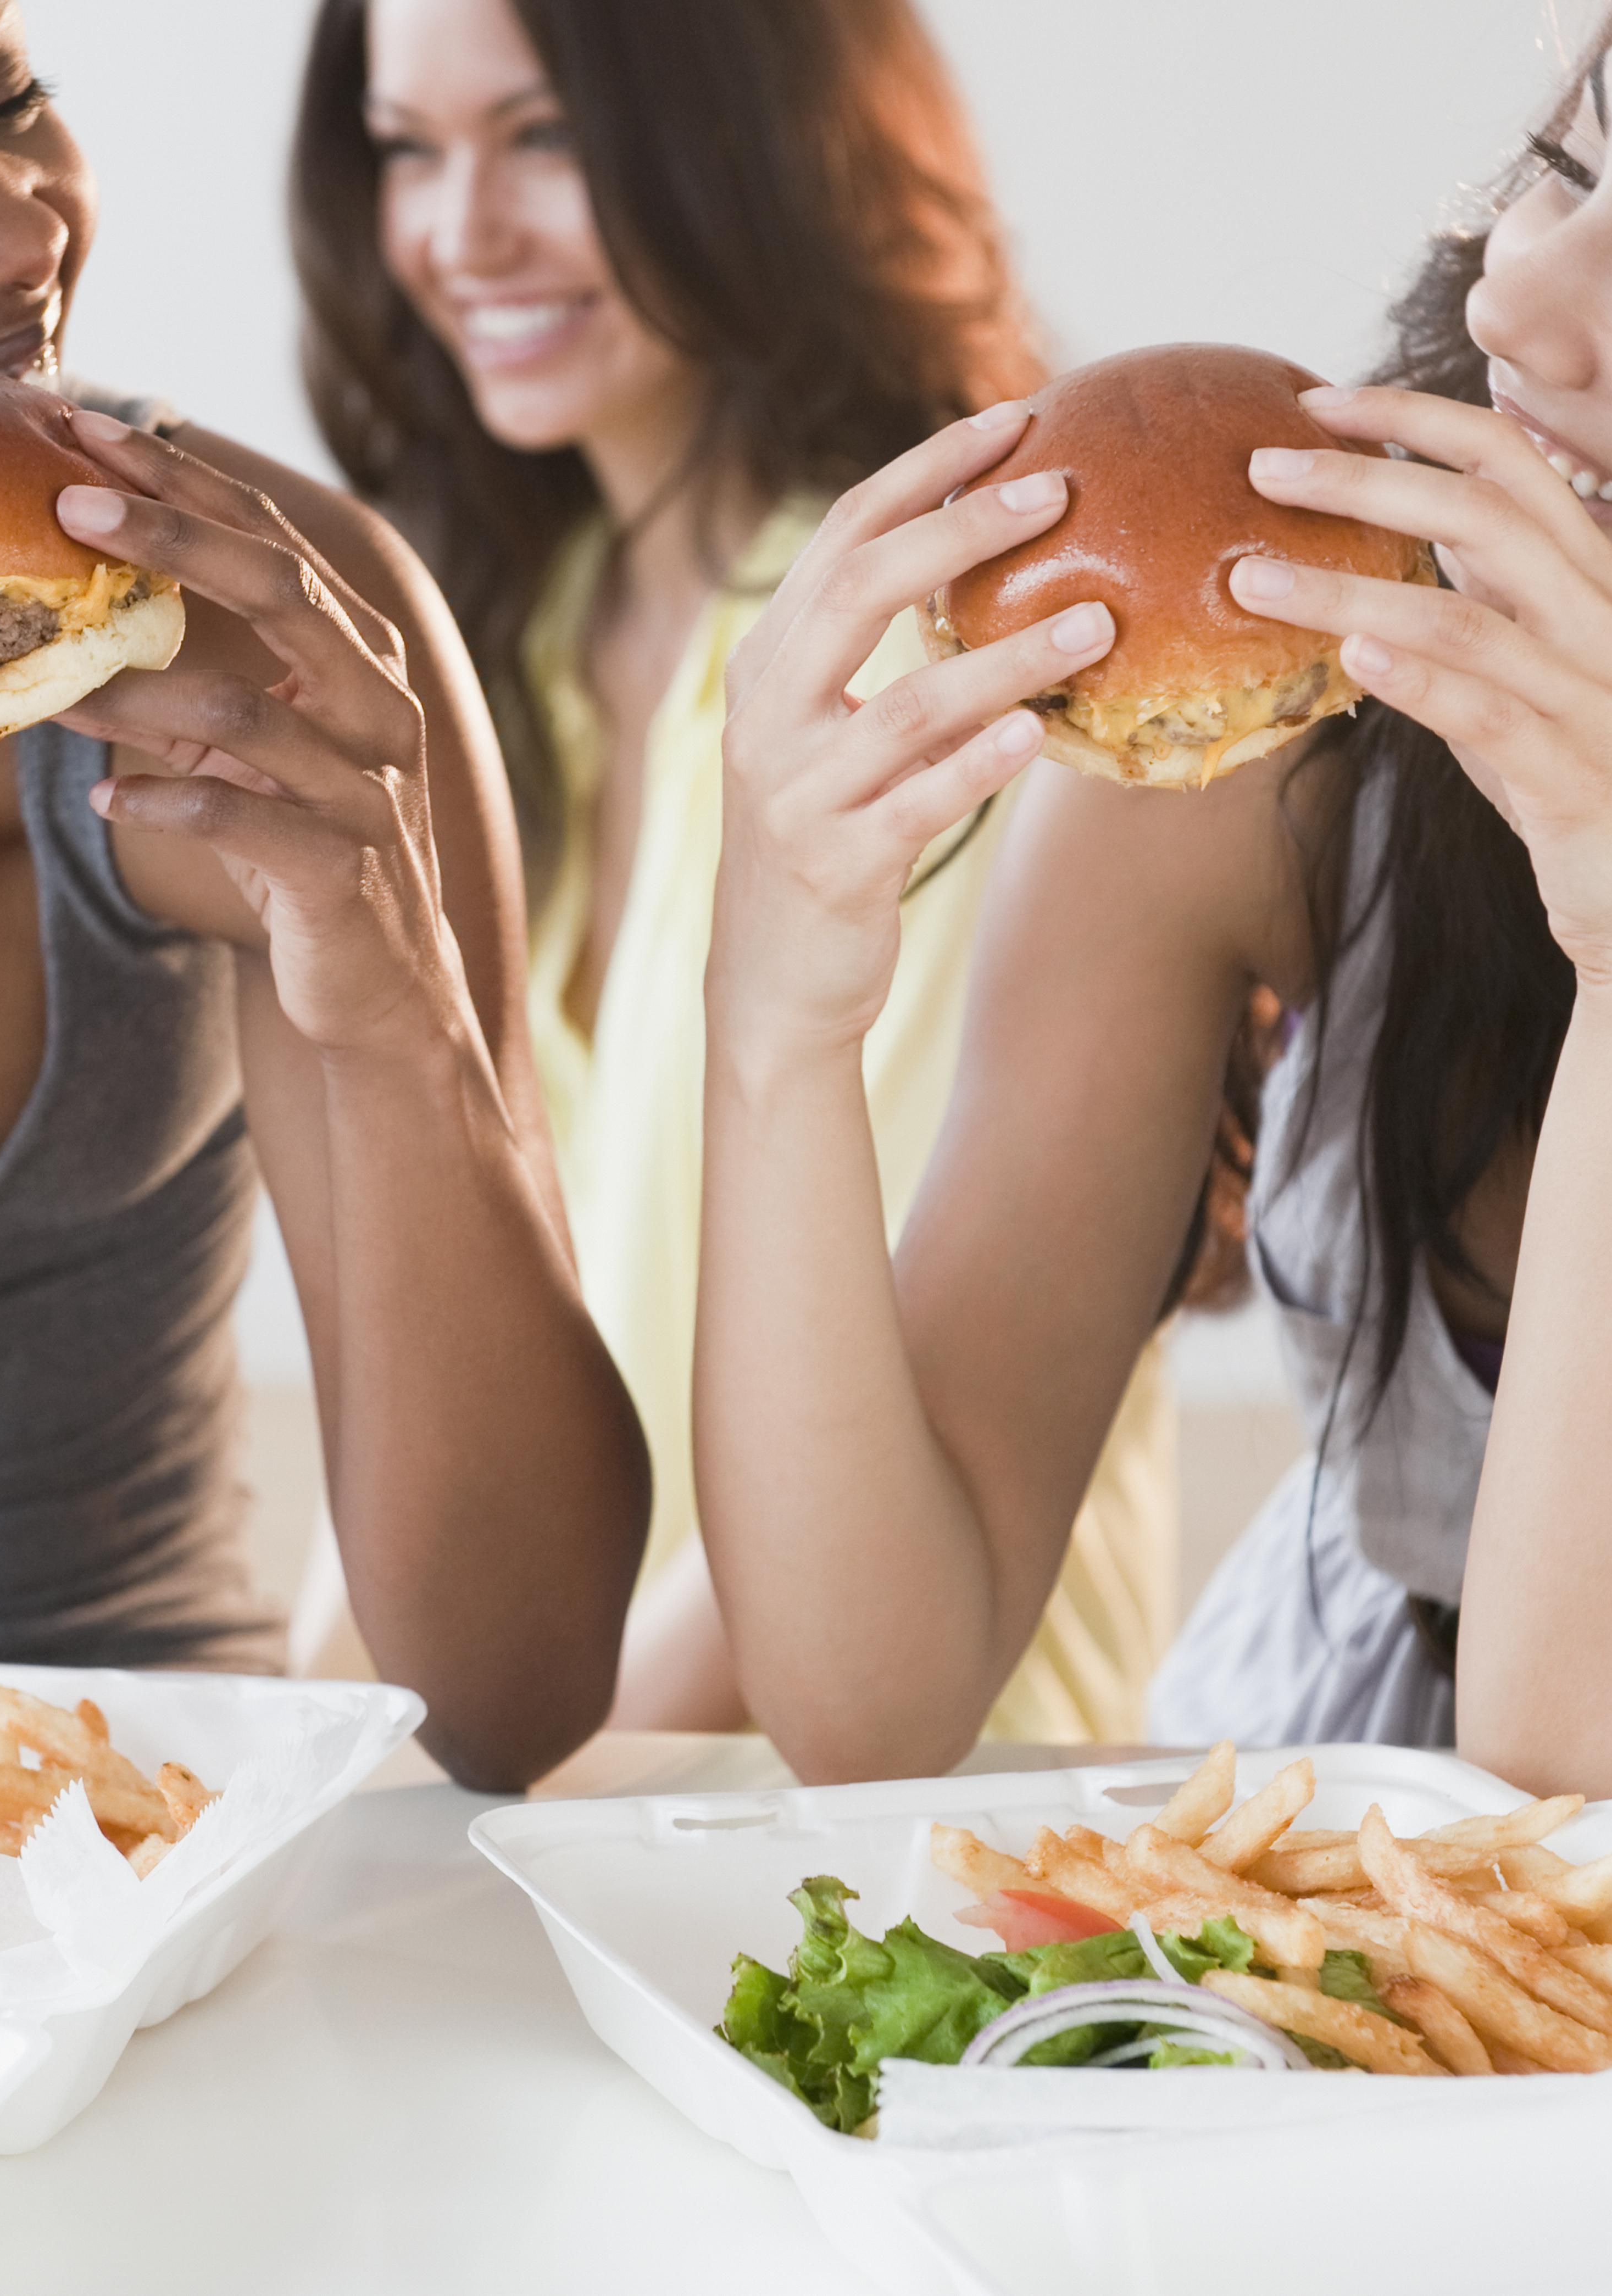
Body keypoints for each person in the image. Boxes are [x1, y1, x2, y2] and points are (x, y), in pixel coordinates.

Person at [696, 0, 1612, 1812]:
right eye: (1561, 165)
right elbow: (869, 1691)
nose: (1508, 305)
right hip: (1329, 1800)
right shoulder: (1273, 756)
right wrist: (776, 1030)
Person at [0, 0, 649, 1791]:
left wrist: (393, 1007)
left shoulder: (266, 626)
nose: (27, 224)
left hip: (161, 1855)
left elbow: (515, 1688)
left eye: (11, 95)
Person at [290, 0, 1186, 1738]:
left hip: (906, 1827)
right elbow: (438, 1373)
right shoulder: (515, 646)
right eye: (409, 148)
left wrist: (480, 1805)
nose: (457, 233)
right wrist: (293, 1768)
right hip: (566, 1806)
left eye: (542, 136)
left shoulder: (952, 661)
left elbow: (907, 1389)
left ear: (757, 131)